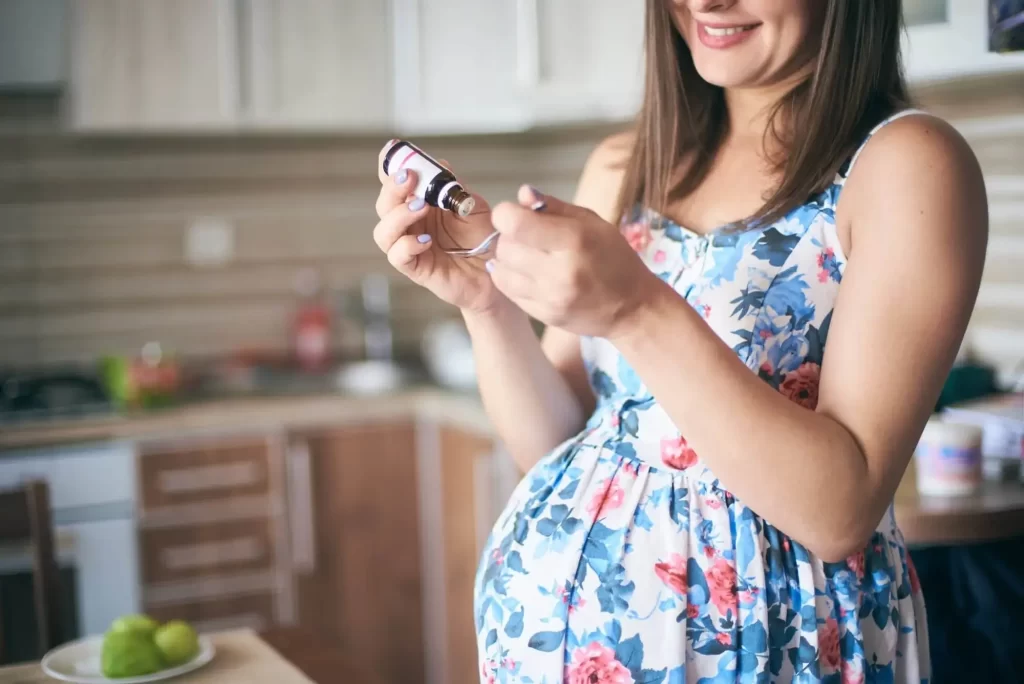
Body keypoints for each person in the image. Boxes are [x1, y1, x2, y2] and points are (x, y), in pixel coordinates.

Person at [372, 0, 987, 680]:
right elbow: (557, 441)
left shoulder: (906, 164)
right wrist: (485, 303)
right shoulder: (624, 166)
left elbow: (840, 511)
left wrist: (638, 309)